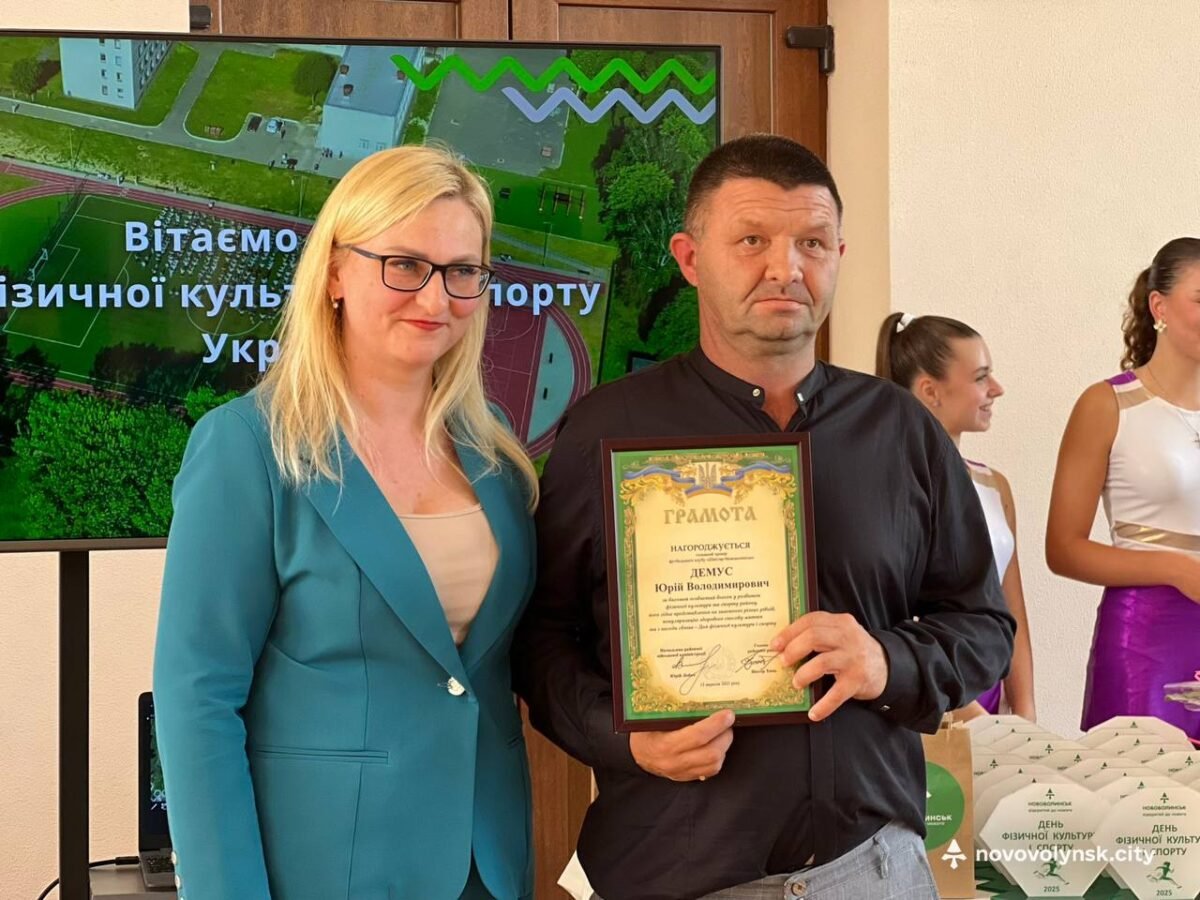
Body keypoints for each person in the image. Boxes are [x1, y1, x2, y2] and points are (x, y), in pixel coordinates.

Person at [513, 134, 1015, 900]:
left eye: (811, 243)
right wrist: (625, 738)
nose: (786, 268)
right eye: (751, 241)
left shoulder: (900, 431)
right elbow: (543, 640)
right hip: (672, 871)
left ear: (838, 255)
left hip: (868, 868)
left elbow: (983, 626)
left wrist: (887, 662)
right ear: (689, 258)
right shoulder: (607, 430)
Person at [154, 145, 539, 900]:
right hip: (326, 868)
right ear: (334, 271)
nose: (436, 297)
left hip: (485, 864)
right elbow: (197, 700)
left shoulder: (492, 445)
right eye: (404, 264)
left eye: (463, 271)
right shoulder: (248, 447)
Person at [1046, 237, 1200, 742]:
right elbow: (1063, 549)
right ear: (1159, 306)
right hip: (1147, 640)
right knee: (1144, 787)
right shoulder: (1107, 405)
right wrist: (1178, 570)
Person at [876, 313, 1037, 720]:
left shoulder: (994, 486)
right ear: (930, 391)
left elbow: (1010, 608)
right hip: (929, 703)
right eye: (981, 377)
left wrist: (1024, 712)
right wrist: (967, 715)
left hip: (992, 700)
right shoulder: (887, 490)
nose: (997, 388)